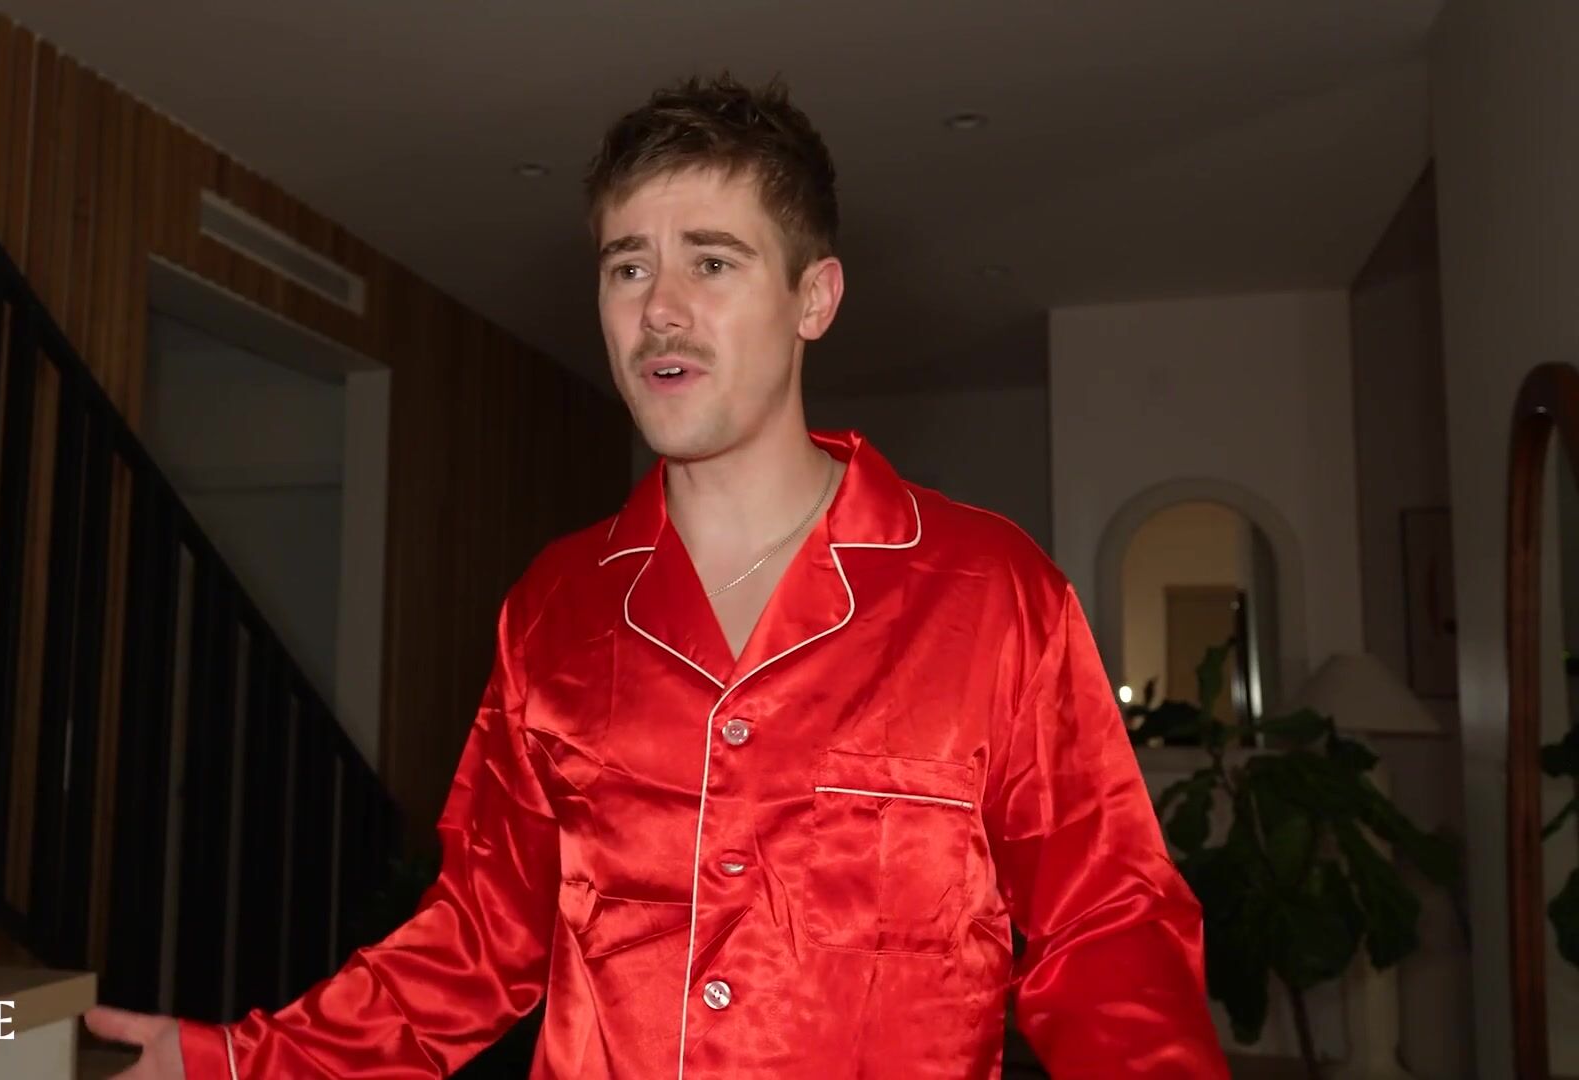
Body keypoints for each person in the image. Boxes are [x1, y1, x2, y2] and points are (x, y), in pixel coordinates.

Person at [86, 72, 1230, 1079]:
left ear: (815, 298)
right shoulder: (555, 606)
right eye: (627, 266)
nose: (659, 310)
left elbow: (1110, 931)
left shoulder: (990, 592)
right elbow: (480, 937)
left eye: (712, 262)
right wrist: (249, 1060)